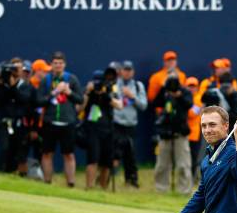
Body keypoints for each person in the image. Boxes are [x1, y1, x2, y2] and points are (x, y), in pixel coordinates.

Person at [35, 51, 83, 186]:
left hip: (67, 122)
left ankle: (70, 183)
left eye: (60, 63)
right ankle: (47, 182)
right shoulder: (46, 80)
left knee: (68, 154)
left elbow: (80, 99)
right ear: (51, 65)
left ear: (65, 65)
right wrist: (55, 92)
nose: (58, 66)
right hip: (50, 121)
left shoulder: (72, 79)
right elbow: (39, 101)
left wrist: (68, 92)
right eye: (55, 63)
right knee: (47, 153)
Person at [81, 68, 122, 189]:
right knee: (93, 159)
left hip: (108, 129)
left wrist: (106, 95)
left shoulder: (109, 91)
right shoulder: (88, 91)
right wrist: (88, 92)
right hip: (92, 129)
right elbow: (80, 107)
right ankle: (89, 187)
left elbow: (119, 105)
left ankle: (103, 188)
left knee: (107, 163)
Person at [153, 75, 194, 194]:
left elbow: (189, 104)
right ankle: (161, 190)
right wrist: (163, 90)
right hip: (165, 133)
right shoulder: (165, 92)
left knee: (183, 165)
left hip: (180, 133)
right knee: (162, 165)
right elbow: (156, 103)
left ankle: (184, 191)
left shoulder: (184, 91)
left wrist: (179, 96)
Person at [113, 60, 147, 188]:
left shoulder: (138, 86)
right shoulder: (115, 84)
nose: (127, 72)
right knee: (115, 153)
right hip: (116, 123)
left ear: (132, 72)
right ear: (121, 71)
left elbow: (143, 105)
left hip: (130, 125)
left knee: (130, 154)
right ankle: (111, 179)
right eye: (125, 70)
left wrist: (132, 96)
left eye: (129, 70)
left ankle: (131, 180)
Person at [185, 77, 203, 181]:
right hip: (183, 131)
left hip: (194, 133)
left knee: (193, 156)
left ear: (197, 87)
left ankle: (192, 177)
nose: (191, 89)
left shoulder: (199, 98)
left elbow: (191, 113)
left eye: (193, 86)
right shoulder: (186, 97)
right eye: (189, 86)